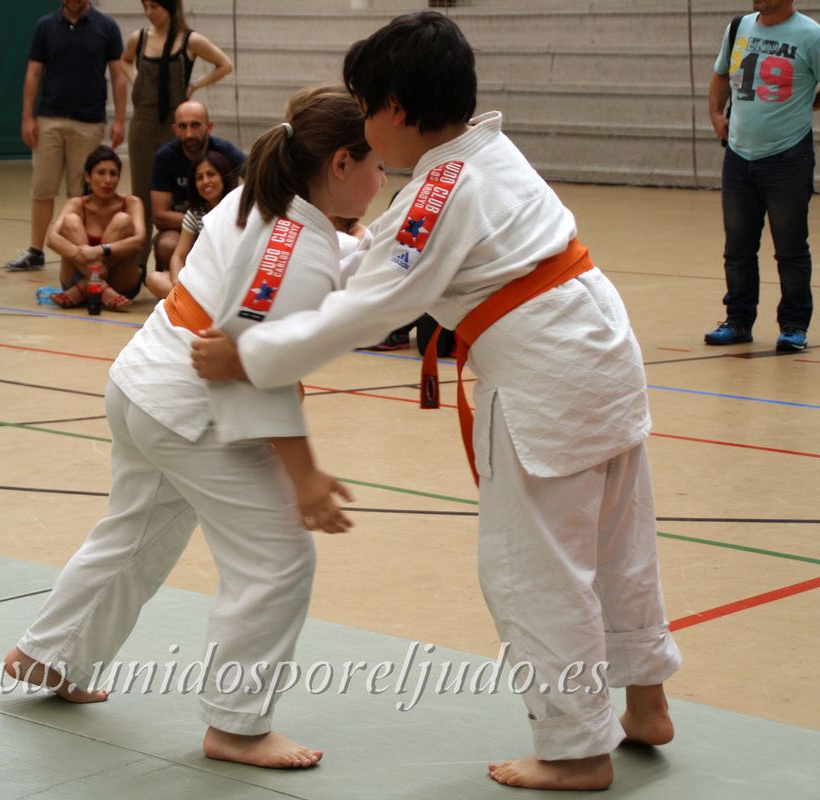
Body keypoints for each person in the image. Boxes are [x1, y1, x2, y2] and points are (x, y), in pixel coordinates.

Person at [191, 14, 680, 790]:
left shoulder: (439, 191)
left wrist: (248, 355)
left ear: (394, 108)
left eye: (363, 103)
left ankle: (577, 750)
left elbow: (366, 311)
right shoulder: (486, 151)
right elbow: (385, 262)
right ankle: (645, 701)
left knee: (532, 568)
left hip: (547, 379)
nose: (363, 125)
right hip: (603, 357)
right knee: (618, 546)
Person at [1, 84, 386, 769]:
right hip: (191, 406)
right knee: (276, 559)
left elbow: (337, 264)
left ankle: (51, 656)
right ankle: (236, 726)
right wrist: (303, 477)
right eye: (377, 165)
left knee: (139, 528)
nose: (383, 180)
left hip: (142, 382)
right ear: (339, 165)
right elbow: (244, 368)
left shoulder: (263, 196)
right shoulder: (293, 243)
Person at [704, 0, 817, 352]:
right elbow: (721, 74)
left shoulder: (811, 35)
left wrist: (805, 103)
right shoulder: (738, 27)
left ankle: (794, 326)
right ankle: (738, 321)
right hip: (738, 156)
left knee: (790, 249)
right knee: (737, 248)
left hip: (788, 158)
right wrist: (716, 115)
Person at [8, 0, 128, 273]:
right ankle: (35, 250)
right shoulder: (45, 26)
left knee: (82, 191)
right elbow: (34, 72)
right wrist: (28, 116)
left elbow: (118, 76)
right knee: (42, 187)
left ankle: (79, 250)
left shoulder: (106, 27)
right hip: (50, 119)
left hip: (89, 122)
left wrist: (120, 119)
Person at [121, 0, 232, 242]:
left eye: (155, 7)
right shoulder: (137, 38)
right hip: (143, 123)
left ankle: (182, 249)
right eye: (146, 6)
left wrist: (195, 85)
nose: (149, 13)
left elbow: (224, 65)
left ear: (170, 7)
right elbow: (125, 61)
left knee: (174, 191)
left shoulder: (190, 40)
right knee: (140, 194)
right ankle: (139, 260)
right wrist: (136, 79)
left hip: (176, 123)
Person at [149, 100, 246, 272]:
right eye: (182, 126)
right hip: (184, 229)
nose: (188, 134)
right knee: (166, 245)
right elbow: (159, 216)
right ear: (174, 129)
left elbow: (258, 183)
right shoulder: (164, 158)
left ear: (209, 126)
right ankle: (178, 292)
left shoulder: (227, 151)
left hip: (226, 228)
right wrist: (199, 221)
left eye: (195, 125)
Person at [45, 146, 146, 310]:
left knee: (123, 220)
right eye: (101, 172)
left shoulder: (132, 203)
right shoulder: (77, 204)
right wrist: (83, 256)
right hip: (77, 277)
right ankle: (102, 289)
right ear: (87, 176)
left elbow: (139, 241)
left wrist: (99, 250)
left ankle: (80, 290)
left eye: (113, 174)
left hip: (121, 283)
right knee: (70, 221)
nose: (107, 180)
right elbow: (52, 239)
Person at [145, 149, 239, 299]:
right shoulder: (194, 214)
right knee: (154, 279)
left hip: (233, 281)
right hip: (203, 282)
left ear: (223, 176)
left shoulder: (238, 207)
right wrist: (177, 284)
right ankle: (189, 303)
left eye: (211, 174)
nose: (205, 181)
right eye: (199, 177)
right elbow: (179, 256)